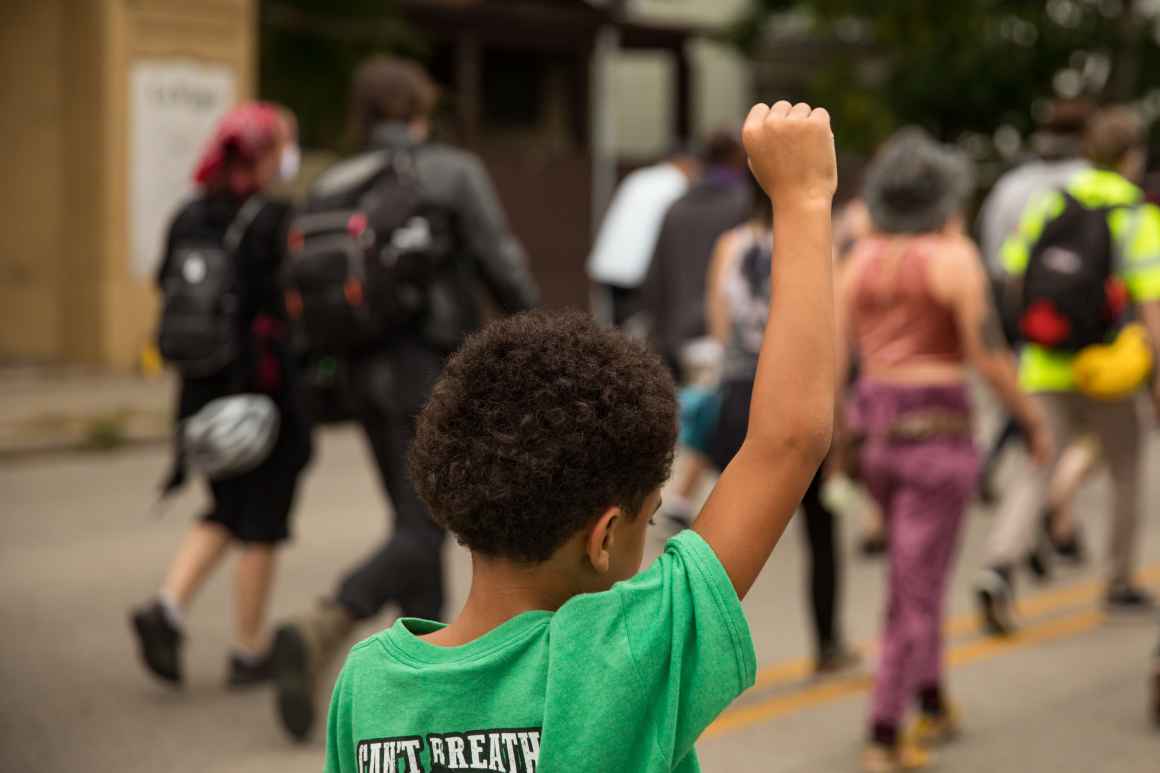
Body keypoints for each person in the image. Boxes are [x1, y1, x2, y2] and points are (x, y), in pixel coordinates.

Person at [322, 100, 837, 773]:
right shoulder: (615, 660)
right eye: (648, 520)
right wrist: (802, 198)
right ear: (602, 537)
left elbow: (786, 439)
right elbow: (789, 440)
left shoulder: (366, 686)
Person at [271, 56, 539, 740]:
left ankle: (427, 691)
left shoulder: (331, 181)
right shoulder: (450, 171)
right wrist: (541, 344)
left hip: (358, 376)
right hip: (428, 372)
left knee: (412, 522)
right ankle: (326, 619)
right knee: (424, 528)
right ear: (420, 105)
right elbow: (502, 264)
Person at [836, 128, 1051, 771]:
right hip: (937, 434)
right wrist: (1032, 420)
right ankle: (883, 728)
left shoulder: (859, 258)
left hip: (875, 430)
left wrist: (838, 442)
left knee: (911, 577)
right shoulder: (953, 258)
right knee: (918, 585)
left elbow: (835, 357)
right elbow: (987, 354)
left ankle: (930, 696)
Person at [130, 103, 313, 688]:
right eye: (284, 144)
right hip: (263, 398)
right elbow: (293, 303)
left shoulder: (189, 214)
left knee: (225, 508)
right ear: (263, 156)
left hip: (202, 393)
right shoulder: (274, 220)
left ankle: (167, 607)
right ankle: (248, 650)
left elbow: (165, 284)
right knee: (262, 521)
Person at [975, 106, 1160, 636]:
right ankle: (1119, 579)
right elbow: (1150, 308)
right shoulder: (1135, 212)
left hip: (1044, 362)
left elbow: (1013, 275)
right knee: (1127, 467)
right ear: (1130, 156)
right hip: (1109, 368)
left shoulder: (1052, 203)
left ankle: (998, 566)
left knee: (1035, 467)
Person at [703, 174, 857, 674]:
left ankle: (700, 658)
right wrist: (839, 417)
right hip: (796, 392)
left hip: (739, 392)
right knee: (820, 528)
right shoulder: (816, 248)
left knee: (728, 530)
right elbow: (829, 342)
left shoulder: (729, 245)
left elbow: (719, 326)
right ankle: (828, 641)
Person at [641, 130, 751, 526]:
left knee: (707, 409)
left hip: (680, 329)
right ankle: (693, 505)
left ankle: (685, 499)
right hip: (726, 328)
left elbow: (654, 273)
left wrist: (659, 329)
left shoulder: (677, 206)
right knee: (716, 412)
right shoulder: (742, 205)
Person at [587, 146, 700, 326]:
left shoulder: (639, 177)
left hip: (611, 265)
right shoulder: (676, 185)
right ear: (686, 164)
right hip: (639, 270)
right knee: (637, 332)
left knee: (616, 328)